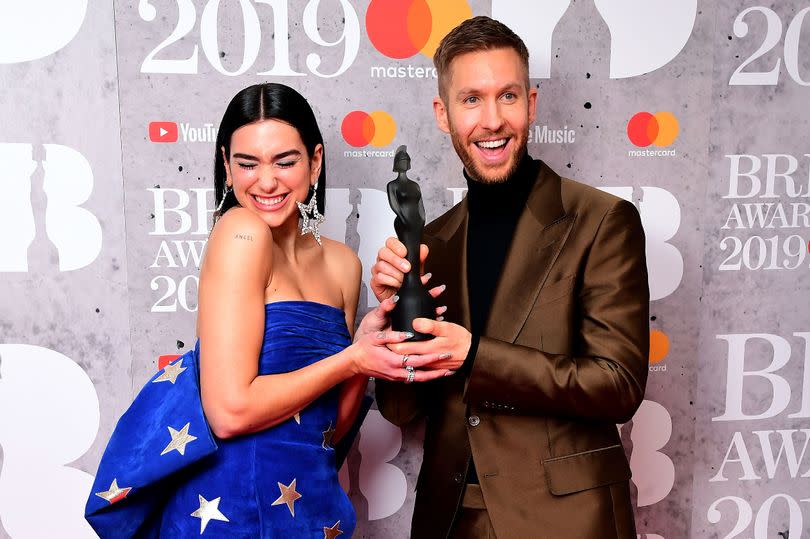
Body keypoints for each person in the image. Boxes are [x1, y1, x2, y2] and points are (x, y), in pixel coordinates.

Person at [84, 83, 445, 538]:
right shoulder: (240, 233)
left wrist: (365, 351)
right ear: (226, 166)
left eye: (285, 161)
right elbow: (230, 412)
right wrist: (350, 359)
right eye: (247, 164)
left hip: (308, 508)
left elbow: (328, 434)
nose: (267, 181)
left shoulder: (342, 263)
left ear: (315, 162)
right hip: (232, 511)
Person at [371, 17, 650, 539]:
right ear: (443, 114)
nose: (493, 120)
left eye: (508, 96)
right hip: (450, 521)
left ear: (532, 104)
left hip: (566, 523)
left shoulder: (601, 220)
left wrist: (474, 355)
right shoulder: (432, 240)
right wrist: (394, 317)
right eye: (471, 99)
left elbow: (619, 384)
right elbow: (401, 408)